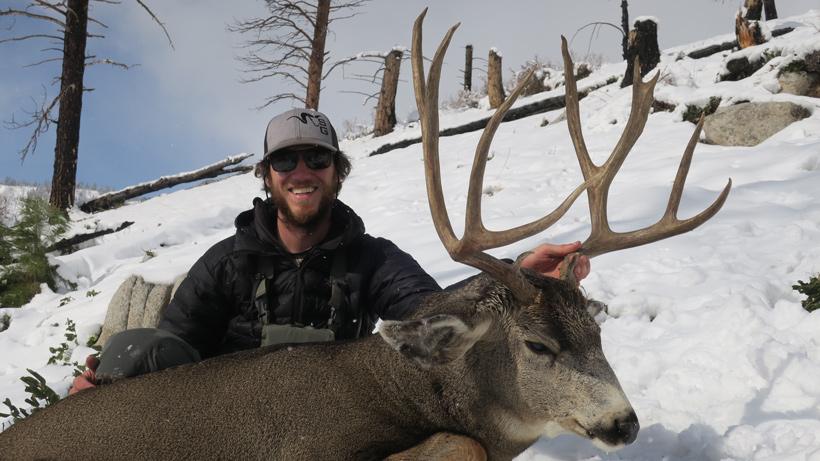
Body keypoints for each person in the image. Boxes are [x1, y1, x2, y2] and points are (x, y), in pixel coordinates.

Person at [70, 108, 590, 393]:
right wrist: (107, 384)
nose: (301, 172)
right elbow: (173, 344)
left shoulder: (372, 259)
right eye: (286, 161)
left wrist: (517, 273)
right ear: (268, 176)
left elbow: (440, 317)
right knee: (135, 345)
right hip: (224, 420)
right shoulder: (229, 260)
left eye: (317, 159)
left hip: (333, 421)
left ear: (336, 174)